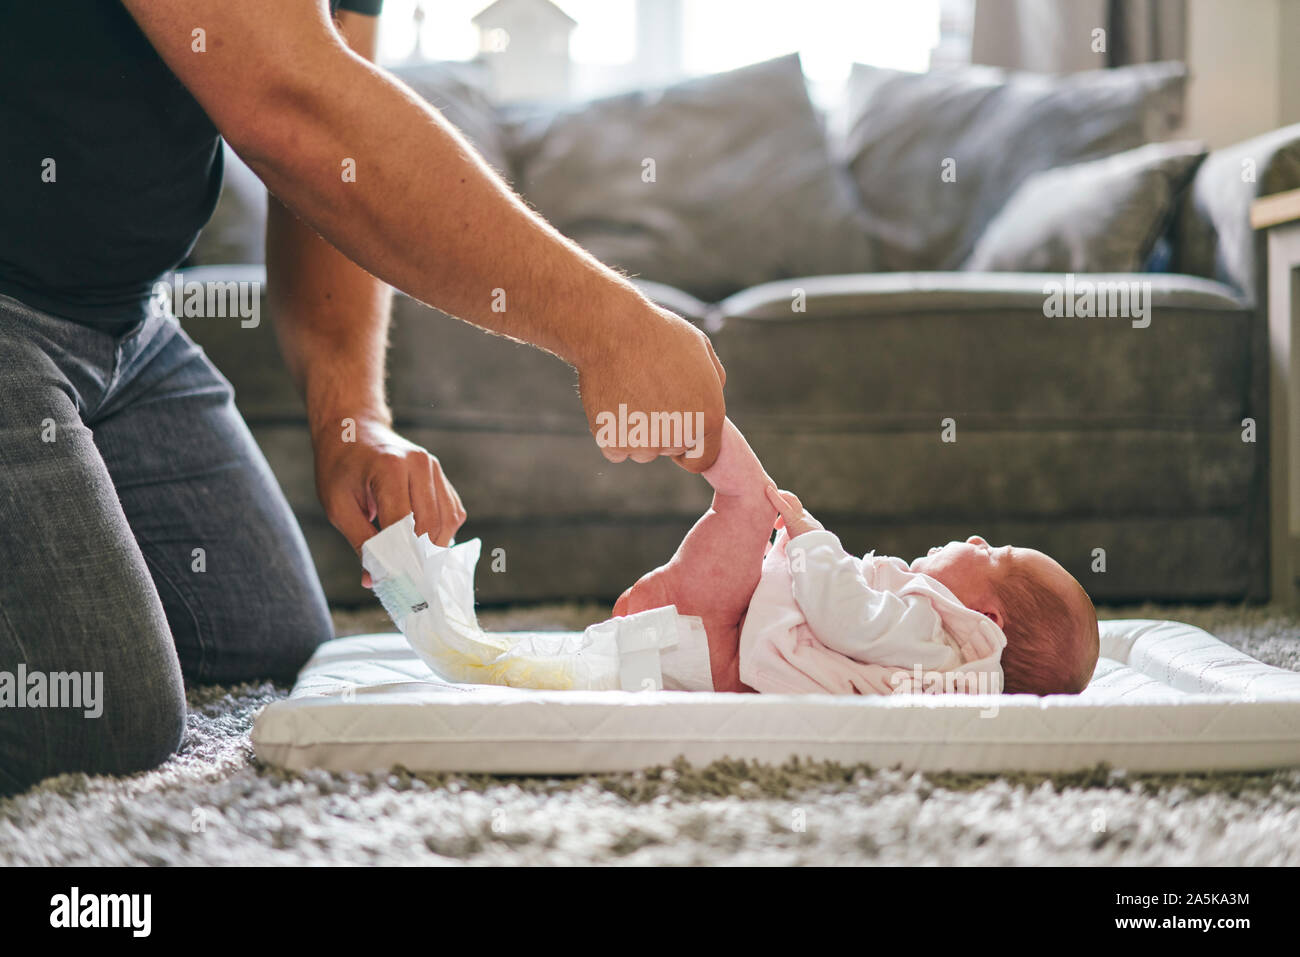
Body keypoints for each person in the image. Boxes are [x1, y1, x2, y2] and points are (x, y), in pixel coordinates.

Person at [0, 0, 725, 793]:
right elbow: (292, 103)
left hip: (122, 322)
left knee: (266, 633)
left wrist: (351, 418)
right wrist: (611, 326)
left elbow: (327, 139)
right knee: (100, 713)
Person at [614, 420, 1100, 696]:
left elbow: (845, 618)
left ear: (985, 618)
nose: (976, 539)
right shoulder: (923, 641)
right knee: (747, 522)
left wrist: (810, 534)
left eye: (994, 553)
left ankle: (699, 423)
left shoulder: (932, 639)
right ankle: (662, 619)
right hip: (739, 640)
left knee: (754, 501)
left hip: (736, 643)